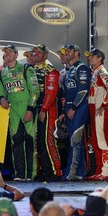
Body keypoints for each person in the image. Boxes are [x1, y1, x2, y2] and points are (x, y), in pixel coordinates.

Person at [0, 44, 39, 181]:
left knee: (30, 141)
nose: (7, 54)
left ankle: (30, 174)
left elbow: (35, 90)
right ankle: (20, 174)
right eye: (6, 52)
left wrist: (31, 109)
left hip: (27, 108)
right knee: (16, 142)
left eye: (10, 52)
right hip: (13, 110)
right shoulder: (1, 73)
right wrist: (2, 98)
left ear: (16, 55)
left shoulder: (26, 68)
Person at [59, 44, 92, 181]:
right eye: (65, 51)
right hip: (69, 108)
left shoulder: (81, 68)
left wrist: (73, 107)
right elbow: (67, 94)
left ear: (76, 53)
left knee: (75, 141)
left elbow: (83, 91)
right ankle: (80, 171)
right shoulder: (69, 69)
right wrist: (63, 111)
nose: (66, 53)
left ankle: (71, 172)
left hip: (79, 108)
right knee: (73, 140)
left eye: (69, 51)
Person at [33, 44, 62, 181]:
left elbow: (51, 92)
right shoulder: (31, 70)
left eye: (39, 53)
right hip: (36, 109)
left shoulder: (51, 71)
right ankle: (44, 171)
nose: (36, 55)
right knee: (39, 142)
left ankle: (56, 171)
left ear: (46, 55)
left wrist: (44, 109)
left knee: (48, 140)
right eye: (35, 52)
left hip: (49, 110)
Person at [85, 48, 108, 180]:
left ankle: (105, 172)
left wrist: (104, 105)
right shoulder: (95, 72)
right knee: (95, 140)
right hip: (93, 109)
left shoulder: (102, 72)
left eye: (92, 56)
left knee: (102, 140)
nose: (90, 58)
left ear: (99, 58)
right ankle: (100, 170)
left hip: (100, 110)